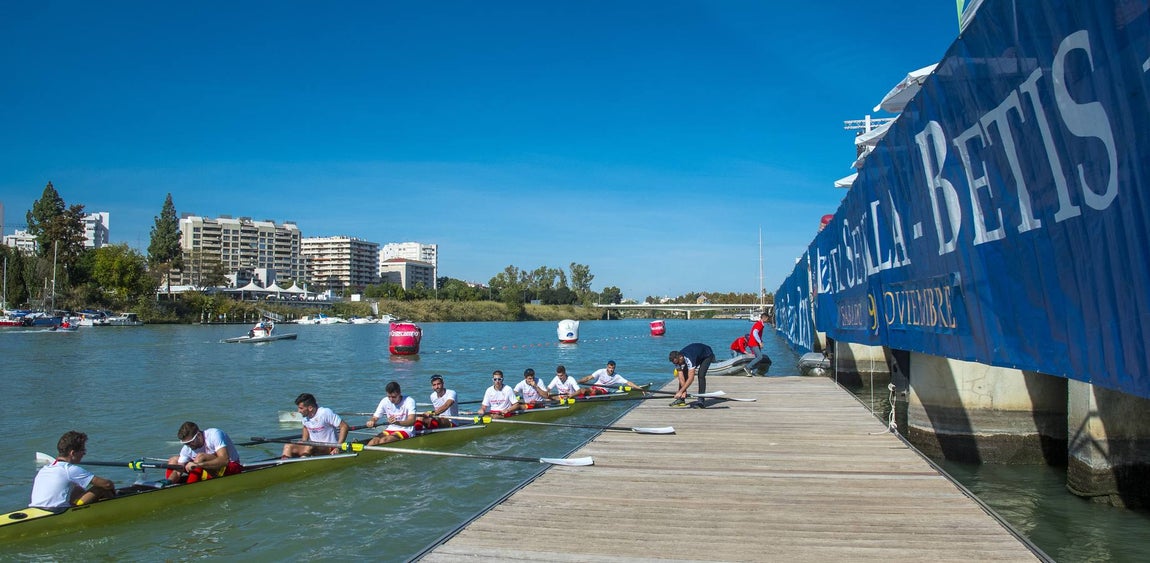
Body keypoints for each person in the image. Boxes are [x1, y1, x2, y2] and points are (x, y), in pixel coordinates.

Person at [30, 431, 115, 509]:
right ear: (72, 453)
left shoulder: (45, 469)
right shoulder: (70, 469)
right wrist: (111, 489)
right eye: (83, 450)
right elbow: (107, 484)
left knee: (78, 488)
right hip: (58, 511)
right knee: (102, 487)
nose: (84, 453)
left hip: (36, 509)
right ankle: (114, 505)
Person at [167, 422, 243, 483]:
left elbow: (224, 460)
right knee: (173, 460)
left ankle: (191, 488)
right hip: (207, 471)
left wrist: (197, 465)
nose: (188, 445)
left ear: (199, 435)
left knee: (201, 457)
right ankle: (168, 487)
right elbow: (177, 472)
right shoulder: (187, 448)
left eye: (190, 442)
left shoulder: (214, 434)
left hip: (232, 467)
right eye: (186, 443)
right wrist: (168, 481)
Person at [282, 393, 349, 458]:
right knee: (288, 446)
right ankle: (283, 463)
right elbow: (305, 427)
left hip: (330, 447)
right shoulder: (305, 417)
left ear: (310, 408)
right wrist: (304, 441)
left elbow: (344, 426)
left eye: (301, 408)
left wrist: (338, 446)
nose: (298, 411)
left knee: (310, 446)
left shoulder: (325, 413)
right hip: (313, 447)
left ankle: (303, 462)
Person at [366, 381, 416, 445]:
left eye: (394, 397)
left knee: (384, 440)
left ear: (399, 393)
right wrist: (372, 421)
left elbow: (412, 421)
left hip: (406, 430)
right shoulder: (384, 401)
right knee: (373, 442)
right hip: (390, 429)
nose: (391, 400)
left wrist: (397, 422)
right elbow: (375, 417)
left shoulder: (409, 401)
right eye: (389, 396)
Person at [668, 343, 716, 408]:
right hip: (696, 354)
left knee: (701, 375)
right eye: (675, 363)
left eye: (678, 362)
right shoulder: (677, 360)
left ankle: (701, 400)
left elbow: (691, 378)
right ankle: (681, 400)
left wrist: (680, 391)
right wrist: (683, 391)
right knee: (684, 374)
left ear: (681, 357)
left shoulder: (689, 358)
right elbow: (681, 376)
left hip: (707, 355)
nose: (677, 364)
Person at [578, 360, 643, 395]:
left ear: (615, 368)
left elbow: (628, 383)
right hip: (594, 387)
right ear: (607, 366)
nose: (611, 369)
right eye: (609, 368)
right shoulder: (600, 371)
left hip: (603, 391)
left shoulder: (617, 376)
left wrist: (639, 388)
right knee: (583, 390)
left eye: (613, 368)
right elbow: (588, 378)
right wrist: (578, 382)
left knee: (594, 391)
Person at [745, 311, 773, 376]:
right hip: (753, 343)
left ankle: (751, 371)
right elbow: (755, 333)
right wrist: (760, 342)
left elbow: (757, 334)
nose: (768, 320)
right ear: (764, 318)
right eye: (768, 319)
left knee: (758, 358)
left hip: (755, 343)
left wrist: (761, 341)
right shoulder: (759, 324)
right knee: (760, 357)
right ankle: (747, 367)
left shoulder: (760, 324)